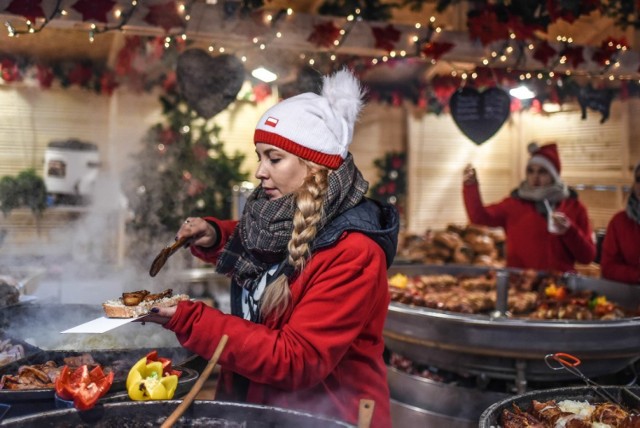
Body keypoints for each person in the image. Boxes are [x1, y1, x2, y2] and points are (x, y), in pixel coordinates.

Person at [144, 69, 399, 427]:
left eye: (274, 158)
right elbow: (276, 256)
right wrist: (217, 237)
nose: (259, 172)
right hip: (261, 405)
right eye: (259, 156)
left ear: (314, 166)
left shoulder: (355, 252)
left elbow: (296, 359)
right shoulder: (284, 220)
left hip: (326, 416)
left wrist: (192, 318)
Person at [462, 142, 595, 272]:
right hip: (520, 283)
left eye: (542, 172)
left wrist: (569, 231)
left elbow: (587, 257)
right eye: (530, 171)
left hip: (558, 287)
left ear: (554, 175)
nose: (535, 177)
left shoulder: (574, 207)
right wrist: (470, 187)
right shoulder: (514, 204)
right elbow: (478, 217)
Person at [600, 162, 640, 284]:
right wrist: (637, 275)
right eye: (639, 179)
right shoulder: (619, 222)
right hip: (630, 297)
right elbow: (608, 267)